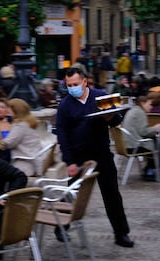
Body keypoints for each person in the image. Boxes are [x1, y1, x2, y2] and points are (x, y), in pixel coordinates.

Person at [56, 67, 134, 247]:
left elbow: (116, 120)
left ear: (84, 82)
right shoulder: (65, 105)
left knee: (112, 195)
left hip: (102, 154)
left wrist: (110, 117)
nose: (72, 88)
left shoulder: (100, 96)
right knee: (72, 194)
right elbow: (62, 135)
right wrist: (69, 161)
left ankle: (121, 234)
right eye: (69, 85)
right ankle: (60, 227)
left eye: (75, 84)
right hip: (78, 156)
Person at [122, 96, 160, 180]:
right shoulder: (140, 113)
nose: (151, 107)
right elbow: (143, 132)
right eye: (150, 104)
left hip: (125, 145)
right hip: (133, 146)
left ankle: (149, 169)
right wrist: (155, 128)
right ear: (143, 103)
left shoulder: (132, 110)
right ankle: (153, 171)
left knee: (153, 141)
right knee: (157, 143)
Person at [4, 98, 43, 177]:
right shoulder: (29, 122)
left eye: (9, 110)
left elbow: (8, 143)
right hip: (34, 159)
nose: (7, 112)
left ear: (16, 111)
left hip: (25, 164)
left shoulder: (20, 126)